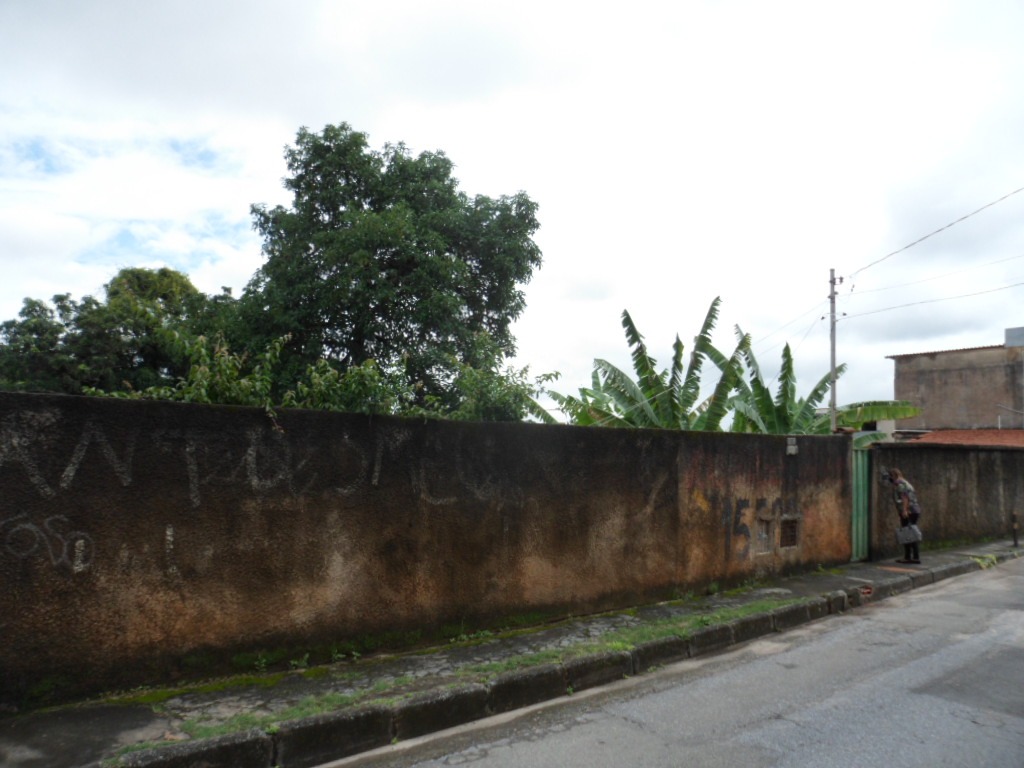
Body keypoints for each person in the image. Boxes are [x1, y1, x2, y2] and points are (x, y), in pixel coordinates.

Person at [889, 468, 921, 564]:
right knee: (910, 534)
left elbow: (904, 497)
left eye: (891, 477)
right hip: (914, 510)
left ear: (894, 476)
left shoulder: (900, 484)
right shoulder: (905, 483)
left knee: (908, 534)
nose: (890, 479)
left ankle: (911, 557)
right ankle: (913, 557)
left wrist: (904, 510)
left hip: (909, 511)